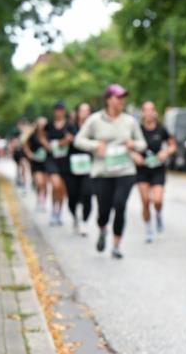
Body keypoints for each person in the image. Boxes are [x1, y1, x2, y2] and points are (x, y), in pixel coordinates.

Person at [74, 84, 146, 259]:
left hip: (125, 170)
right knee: (103, 210)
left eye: (123, 98)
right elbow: (78, 140)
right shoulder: (95, 120)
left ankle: (116, 246)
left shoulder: (130, 121)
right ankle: (103, 229)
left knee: (120, 205)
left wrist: (133, 144)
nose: (122, 101)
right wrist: (95, 145)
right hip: (102, 172)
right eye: (118, 97)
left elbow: (142, 143)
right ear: (108, 100)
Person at [135, 101, 176, 243]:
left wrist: (166, 152)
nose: (148, 113)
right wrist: (135, 156)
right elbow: (128, 145)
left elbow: (172, 145)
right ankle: (148, 229)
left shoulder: (161, 129)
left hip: (158, 169)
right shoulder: (137, 130)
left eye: (151, 110)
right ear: (142, 113)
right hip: (142, 170)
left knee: (157, 200)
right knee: (146, 201)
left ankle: (158, 214)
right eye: (145, 110)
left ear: (155, 112)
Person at [40, 101, 72, 226]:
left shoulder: (69, 125)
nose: (59, 112)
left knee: (62, 188)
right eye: (57, 110)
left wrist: (63, 142)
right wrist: (47, 145)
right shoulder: (49, 125)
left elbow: (72, 138)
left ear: (64, 111)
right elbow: (41, 136)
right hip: (52, 159)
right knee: (55, 185)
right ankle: (53, 210)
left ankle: (59, 212)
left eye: (61, 110)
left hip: (65, 159)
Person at [65, 102, 94, 236]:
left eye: (87, 111)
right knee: (72, 195)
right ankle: (75, 215)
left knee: (87, 193)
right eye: (82, 110)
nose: (84, 113)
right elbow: (63, 141)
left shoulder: (94, 127)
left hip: (88, 165)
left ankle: (85, 221)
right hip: (72, 166)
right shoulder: (70, 127)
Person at [22, 117, 49, 212]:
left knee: (45, 184)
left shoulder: (48, 134)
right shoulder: (32, 135)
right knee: (39, 182)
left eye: (44, 124)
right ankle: (39, 200)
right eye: (40, 124)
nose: (42, 126)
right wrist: (29, 154)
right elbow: (25, 144)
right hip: (36, 162)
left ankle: (43, 202)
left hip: (47, 161)